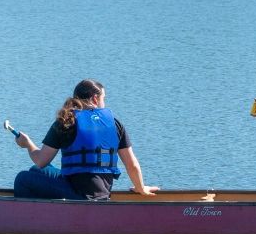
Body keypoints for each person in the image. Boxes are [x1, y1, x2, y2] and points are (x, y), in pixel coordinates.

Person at [11, 79, 156, 201]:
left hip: (79, 195)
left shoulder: (66, 121)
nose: (104, 103)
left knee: (22, 179)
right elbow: (132, 165)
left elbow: (41, 159)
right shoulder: (115, 124)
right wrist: (140, 188)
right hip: (102, 193)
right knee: (36, 170)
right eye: (103, 98)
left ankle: (44, 218)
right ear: (94, 98)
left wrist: (28, 144)